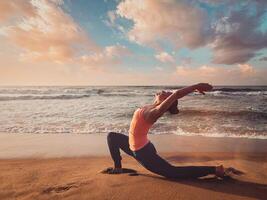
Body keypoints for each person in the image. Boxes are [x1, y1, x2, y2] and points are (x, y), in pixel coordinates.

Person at [104, 83, 242, 179]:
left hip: (142, 153)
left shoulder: (153, 113)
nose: (164, 92)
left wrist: (195, 86)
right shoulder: (150, 106)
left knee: (172, 172)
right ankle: (118, 167)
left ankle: (215, 170)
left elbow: (176, 94)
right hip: (138, 145)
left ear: (166, 102)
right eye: (165, 92)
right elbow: (173, 96)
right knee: (112, 136)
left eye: (166, 94)